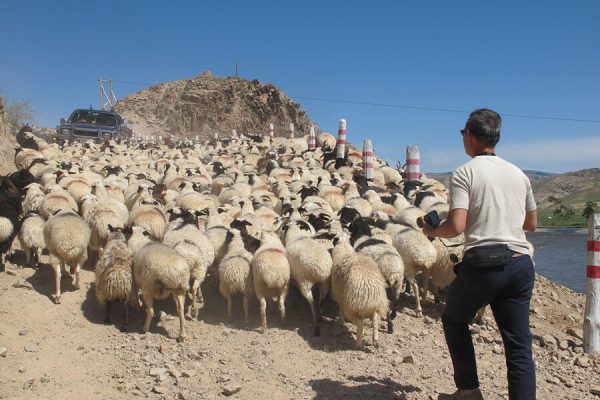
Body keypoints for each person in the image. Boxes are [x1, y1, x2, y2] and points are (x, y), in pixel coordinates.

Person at [420, 109, 537, 400]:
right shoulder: (519, 174)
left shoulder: (465, 172)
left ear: (469, 136)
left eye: (463, 135)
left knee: (455, 320)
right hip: (521, 263)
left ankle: (469, 392)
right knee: (519, 347)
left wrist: (432, 231)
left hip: (485, 264)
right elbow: (531, 224)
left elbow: (456, 227)